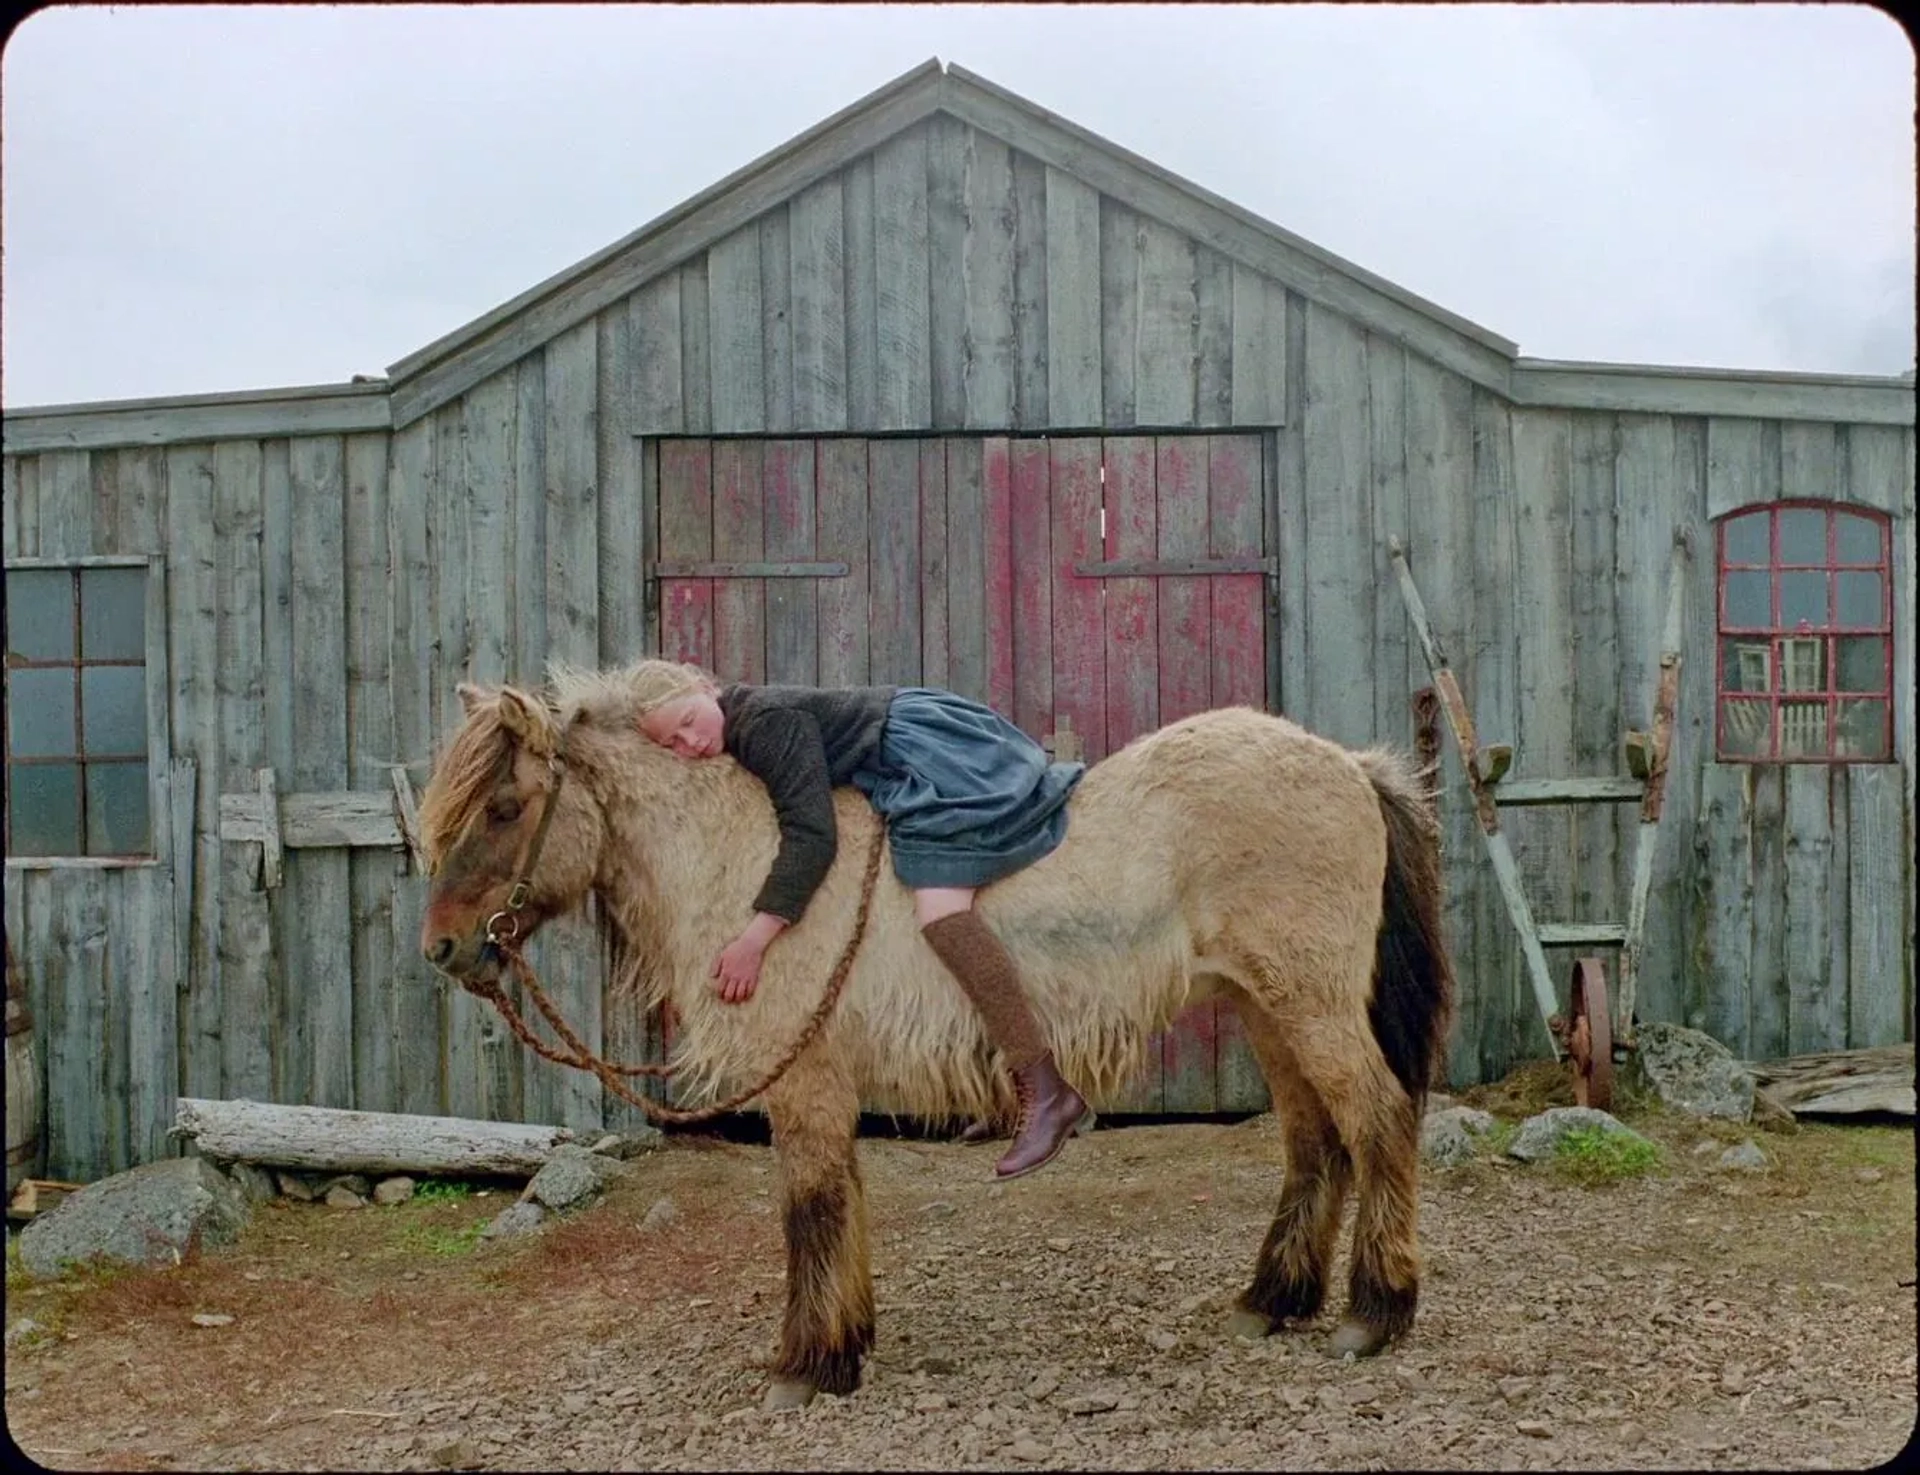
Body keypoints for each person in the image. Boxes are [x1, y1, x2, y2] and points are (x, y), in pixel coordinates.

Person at [628, 661, 1091, 1179]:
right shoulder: (741, 721)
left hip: (931, 755)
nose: (690, 742)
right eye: (672, 743)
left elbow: (812, 835)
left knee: (942, 911)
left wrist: (754, 940)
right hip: (908, 747)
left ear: (705, 687)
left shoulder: (762, 723)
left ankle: (1048, 1091)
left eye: (689, 719)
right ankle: (1011, 1092)